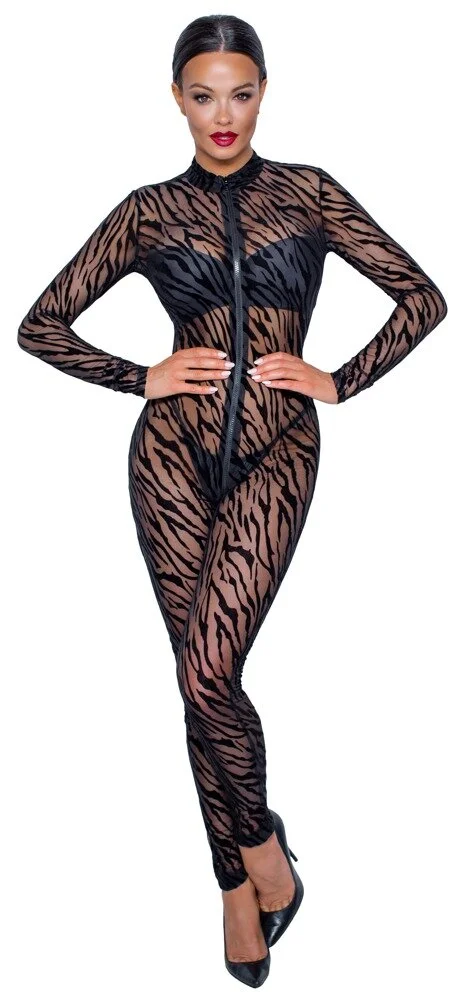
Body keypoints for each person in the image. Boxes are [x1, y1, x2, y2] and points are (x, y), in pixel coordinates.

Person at [17, 13, 448, 989]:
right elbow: (40, 325)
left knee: (210, 671)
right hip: (168, 458)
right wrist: (140, 376)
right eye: (203, 95)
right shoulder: (147, 211)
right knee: (195, 679)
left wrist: (340, 379)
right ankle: (239, 879)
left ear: (262, 95)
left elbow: (421, 297)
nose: (223, 115)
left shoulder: (309, 193)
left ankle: (257, 853)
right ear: (176, 98)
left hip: (275, 450)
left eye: (241, 94)